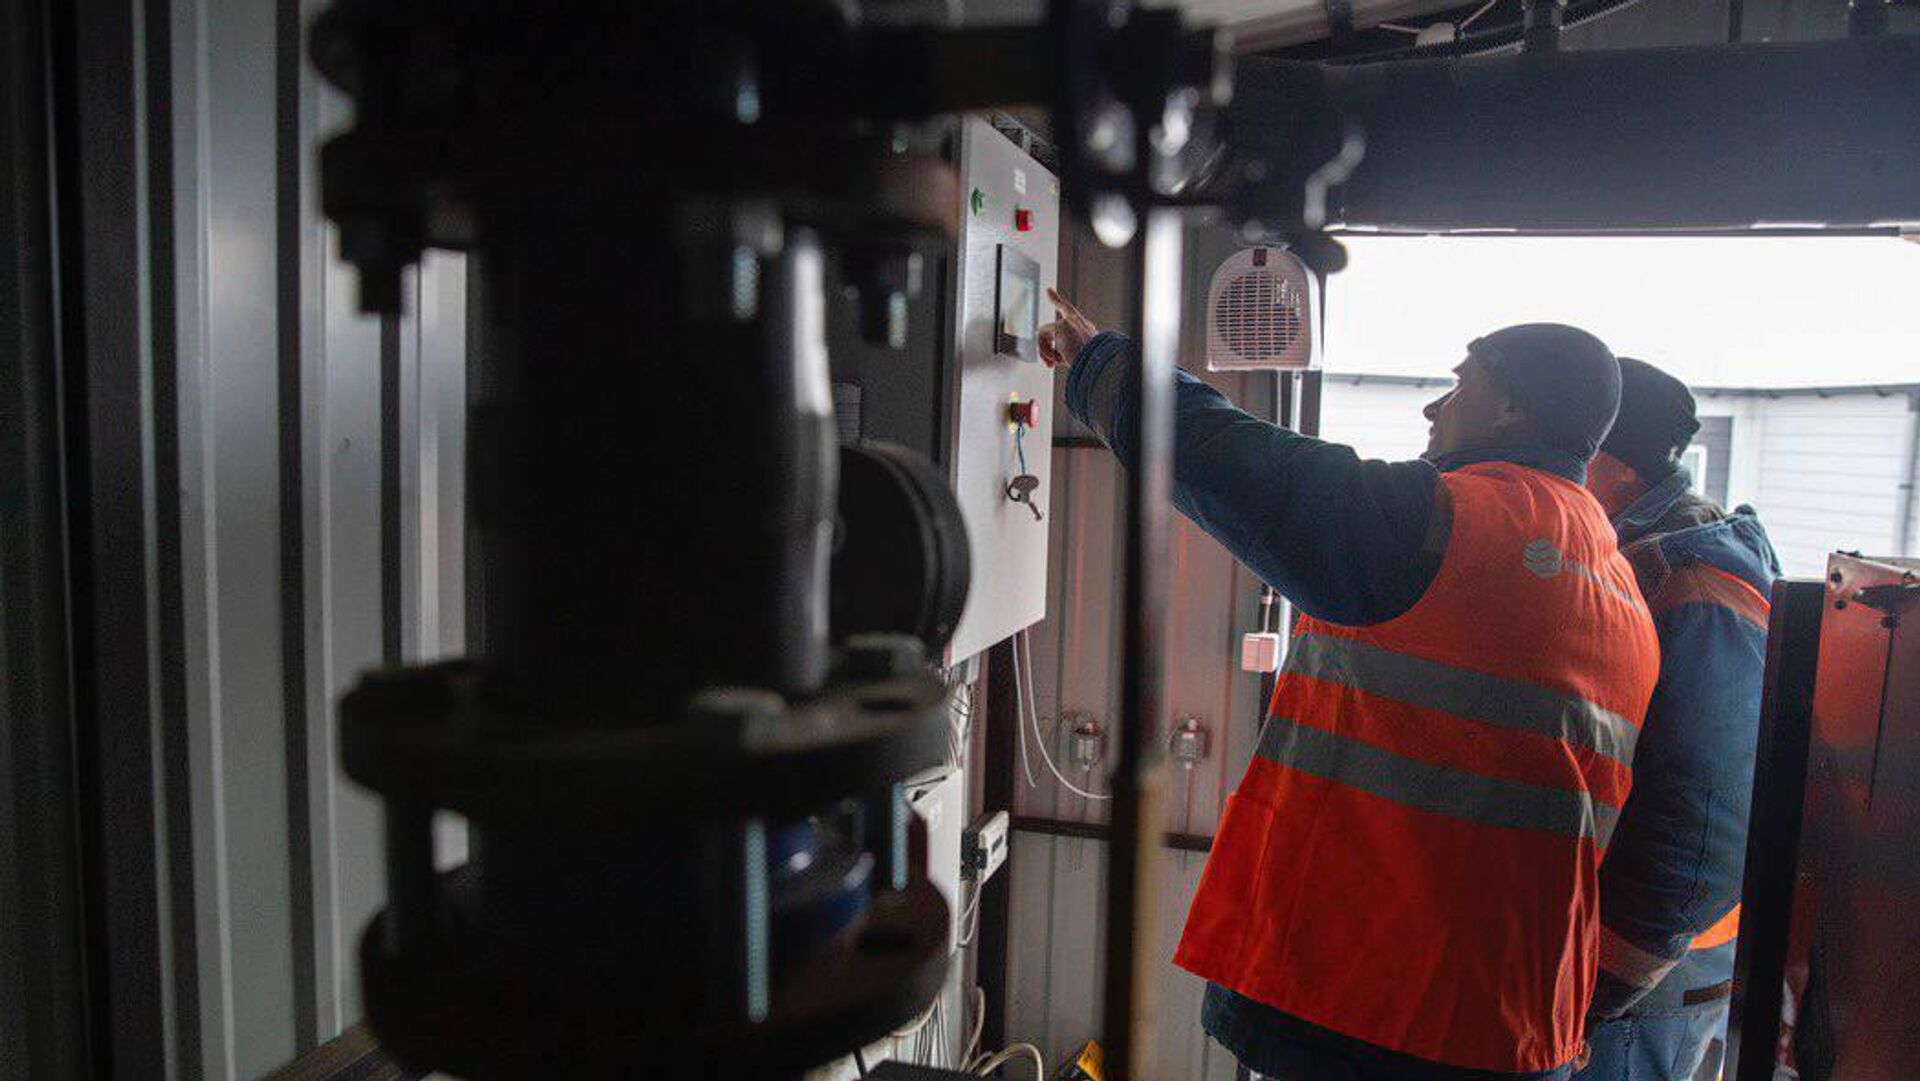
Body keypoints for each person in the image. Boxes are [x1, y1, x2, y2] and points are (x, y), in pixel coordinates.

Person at [1041, 290, 1660, 1081]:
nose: (1435, 407)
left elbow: (1246, 466)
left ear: (1512, 407)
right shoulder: (1616, 586)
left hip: (1383, 1004)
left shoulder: (1457, 524)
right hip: (1516, 1018)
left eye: (1460, 383)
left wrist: (1102, 366)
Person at [1576, 359, 1781, 1081]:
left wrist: (1604, 979)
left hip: (1644, 983)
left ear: (1616, 466)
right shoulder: (1633, 554)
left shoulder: (1694, 580)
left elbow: (1704, 811)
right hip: (1622, 969)